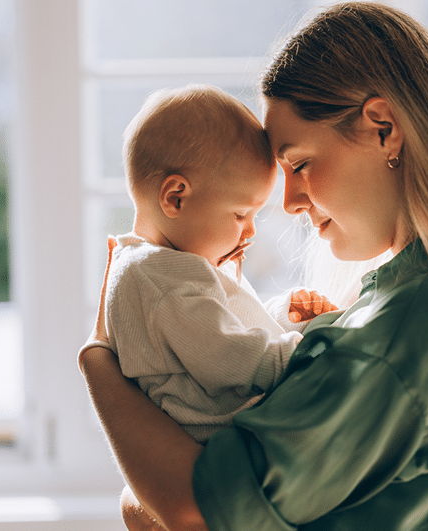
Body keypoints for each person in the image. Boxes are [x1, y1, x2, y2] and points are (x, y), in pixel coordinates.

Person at [78, 3, 428, 530]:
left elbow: (194, 510)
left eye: (300, 164)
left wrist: (98, 362)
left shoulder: (405, 329)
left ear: (383, 129)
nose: (289, 202)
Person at [88, 84, 337, 443]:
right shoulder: (159, 278)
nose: (250, 230)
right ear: (175, 198)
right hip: (228, 443)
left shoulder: (159, 268)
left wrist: (283, 317)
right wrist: (306, 350)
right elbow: (229, 359)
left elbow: (214, 329)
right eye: (240, 214)